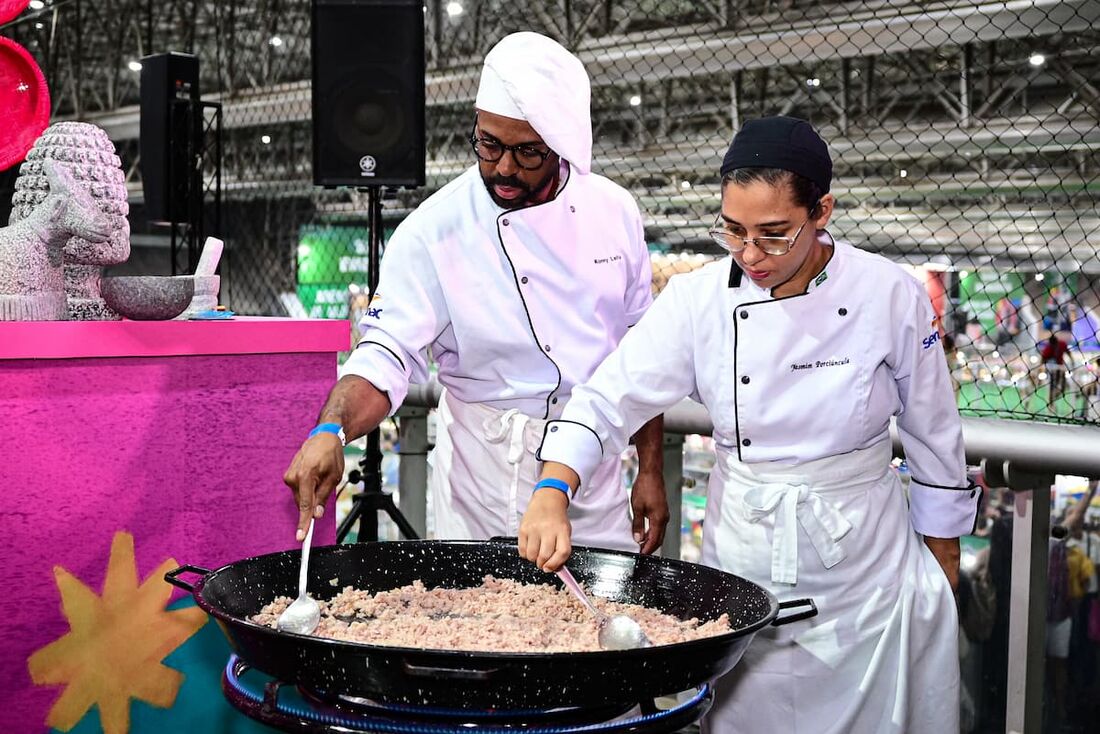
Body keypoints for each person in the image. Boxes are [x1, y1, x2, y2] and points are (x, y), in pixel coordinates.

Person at [519, 117, 979, 733]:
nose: (751, 255)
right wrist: (554, 489)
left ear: (822, 211)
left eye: (774, 234)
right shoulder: (696, 301)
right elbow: (607, 398)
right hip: (746, 544)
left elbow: (933, 431)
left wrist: (943, 552)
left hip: (862, 559)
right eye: (733, 232)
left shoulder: (887, 292)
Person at [282, 32, 667, 552]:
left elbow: (636, 351)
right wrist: (331, 429)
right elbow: (385, 353)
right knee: (481, 624)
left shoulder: (614, 212)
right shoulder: (434, 229)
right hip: (482, 479)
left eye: (528, 151)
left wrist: (650, 469)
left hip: (591, 472)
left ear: (564, 144)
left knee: (594, 622)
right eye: (489, 144)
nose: (504, 167)